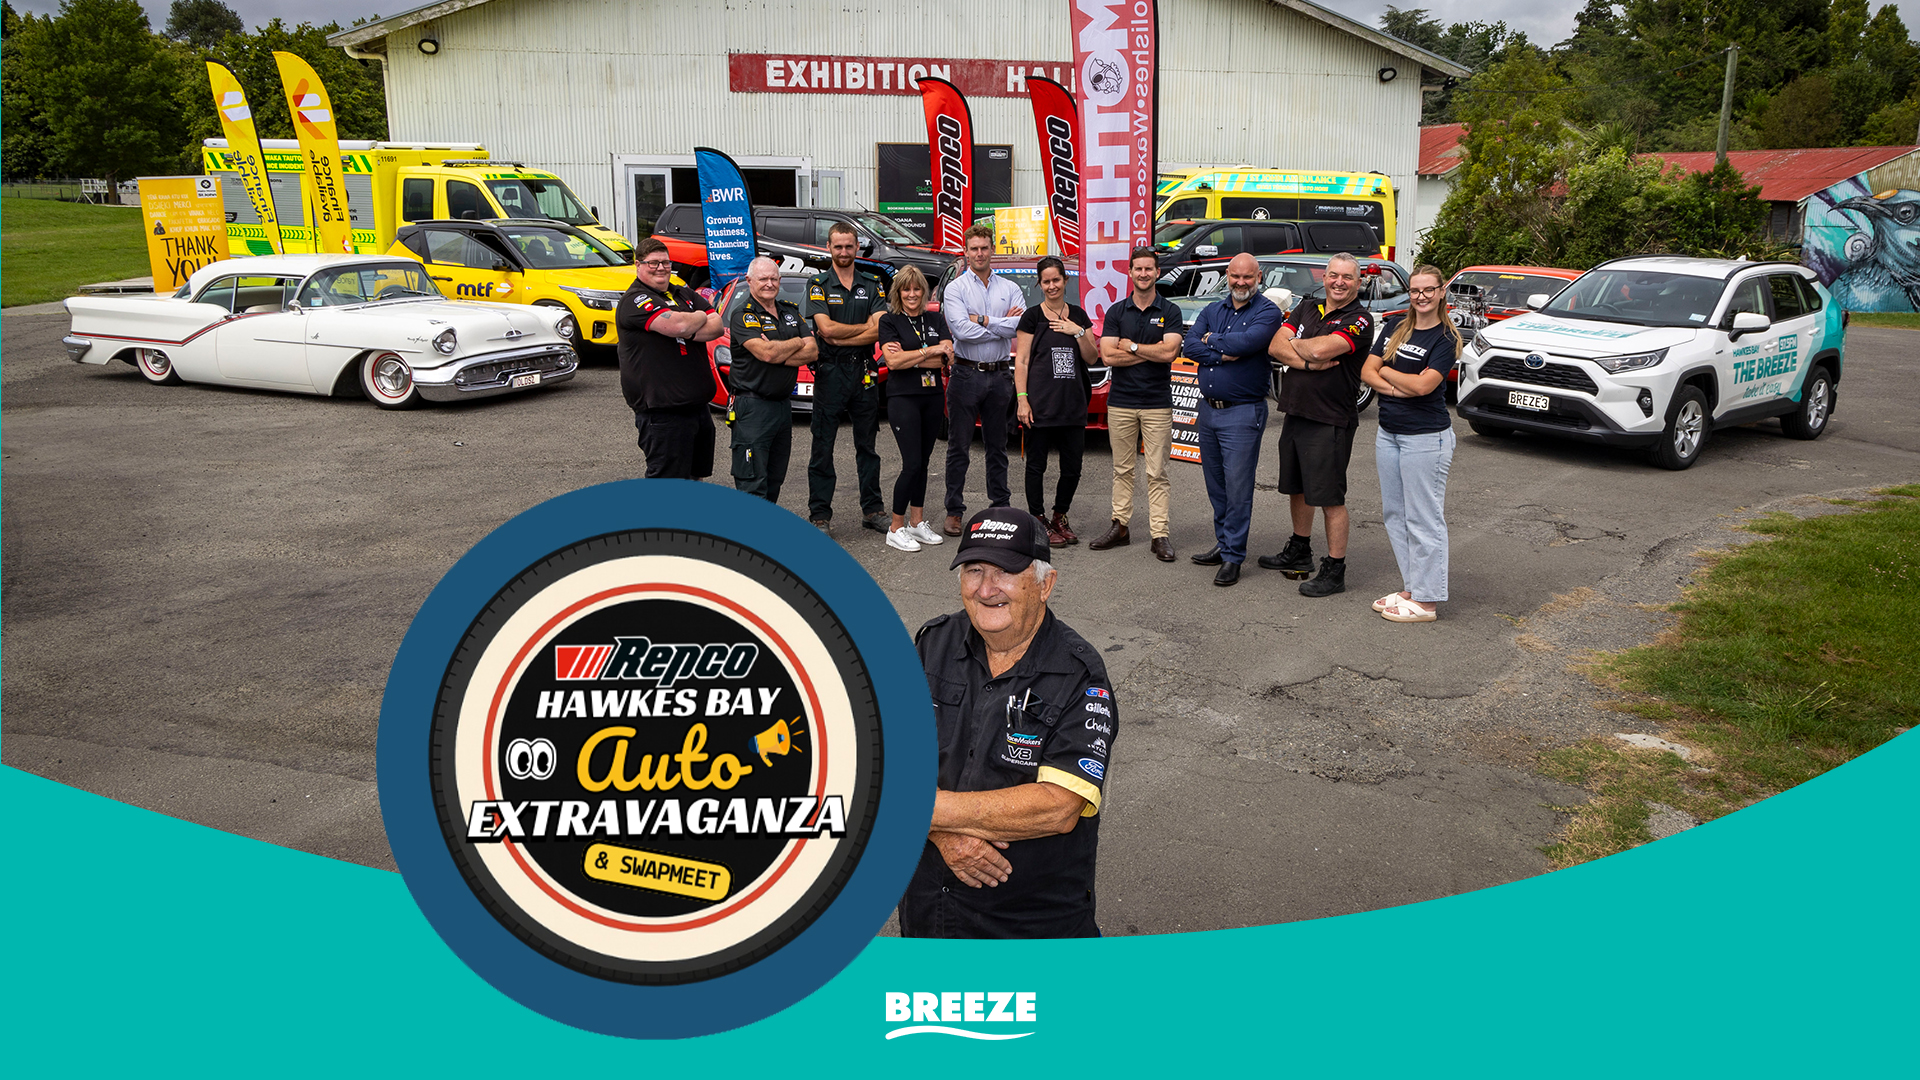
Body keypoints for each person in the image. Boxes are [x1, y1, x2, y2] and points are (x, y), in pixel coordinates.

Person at [900, 507, 1115, 939]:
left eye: (1005, 572)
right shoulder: (933, 643)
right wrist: (943, 834)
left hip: (1029, 926)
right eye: (974, 570)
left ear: (1045, 584)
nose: (986, 589)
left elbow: (1058, 806)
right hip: (928, 910)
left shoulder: (1079, 674)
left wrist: (919, 811)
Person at [1260, 253, 1377, 597]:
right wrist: (1308, 362)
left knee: (1329, 497)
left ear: (1358, 282)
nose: (1339, 282)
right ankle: (1300, 549)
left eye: (1347, 277)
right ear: (1324, 278)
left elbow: (1323, 349)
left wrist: (1297, 346)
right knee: (1297, 488)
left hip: (1330, 419)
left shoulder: (1359, 320)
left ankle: (1335, 569)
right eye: (1333, 275)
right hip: (1296, 412)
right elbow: (1275, 345)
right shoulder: (1307, 307)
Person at [1360, 264, 1461, 622]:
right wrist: (1395, 386)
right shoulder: (1393, 328)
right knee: (1396, 515)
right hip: (1389, 433)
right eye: (1415, 290)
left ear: (1441, 293)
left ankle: (1428, 601)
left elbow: (1423, 386)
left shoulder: (1445, 339)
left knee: (1423, 518)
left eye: (1428, 290)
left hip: (1425, 438)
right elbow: (1365, 371)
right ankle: (1413, 587)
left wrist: (1386, 373)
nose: (1421, 296)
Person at [1181, 253, 1283, 586]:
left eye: (1248, 277)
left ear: (1259, 276)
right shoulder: (1213, 309)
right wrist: (1222, 353)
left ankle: (1233, 557)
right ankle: (1224, 543)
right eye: (1235, 276)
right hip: (1209, 410)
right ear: (1227, 274)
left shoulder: (1267, 312)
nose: (1241, 282)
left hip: (1242, 412)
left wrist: (1211, 340)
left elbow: (1248, 342)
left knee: (1238, 488)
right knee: (1217, 485)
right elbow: (1189, 345)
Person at [1088, 247, 1185, 562]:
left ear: (1157, 272)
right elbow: (1107, 355)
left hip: (1157, 403)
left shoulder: (1170, 311)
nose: (1143, 274)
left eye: (1149, 269)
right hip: (1121, 402)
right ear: (1129, 272)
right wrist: (1150, 351)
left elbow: (1169, 353)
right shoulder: (1117, 311)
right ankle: (1120, 527)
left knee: (1157, 472)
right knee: (1122, 469)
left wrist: (1130, 346)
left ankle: (1160, 535)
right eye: (1138, 269)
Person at [940, 224, 1025, 536]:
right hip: (965, 374)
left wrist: (984, 320)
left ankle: (1000, 506)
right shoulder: (956, 289)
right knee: (959, 447)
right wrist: (1001, 324)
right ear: (966, 251)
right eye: (973, 248)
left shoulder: (1010, 288)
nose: (979, 253)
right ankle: (954, 511)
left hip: (1000, 375)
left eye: (984, 248)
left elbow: (1019, 325)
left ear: (992, 250)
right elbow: (961, 331)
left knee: (998, 446)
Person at [805, 222, 889, 535]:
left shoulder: (872, 283)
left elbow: (881, 328)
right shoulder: (818, 284)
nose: (843, 251)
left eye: (848, 246)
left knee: (868, 445)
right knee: (822, 445)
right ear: (829, 247)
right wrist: (863, 329)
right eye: (838, 246)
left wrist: (842, 335)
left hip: (864, 370)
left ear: (857, 248)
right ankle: (820, 515)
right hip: (831, 371)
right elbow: (825, 330)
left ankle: (873, 509)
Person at [615, 237, 724, 479]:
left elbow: (717, 325)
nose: (661, 268)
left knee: (695, 478)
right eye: (653, 263)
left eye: (665, 262)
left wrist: (687, 326)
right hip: (663, 413)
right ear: (638, 265)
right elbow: (677, 326)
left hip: (697, 409)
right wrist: (698, 316)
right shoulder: (635, 300)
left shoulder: (682, 292)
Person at [1014, 256, 1097, 547]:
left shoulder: (1079, 315)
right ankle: (1038, 520)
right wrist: (1022, 400)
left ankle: (1060, 516)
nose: (1052, 286)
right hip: (1040, 405)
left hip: (1072, 404)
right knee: (1036, 466)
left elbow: (1092, 357)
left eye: (1056, 280)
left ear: (1065, 281)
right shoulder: (1032, 317)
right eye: (1046, 281)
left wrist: (1078, 332)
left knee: (1072, 467)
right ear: (1040, 284)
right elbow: (1022, 361)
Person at [876, 265, 954, 552]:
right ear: (898, 293)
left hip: (932, 396)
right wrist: (930, 351)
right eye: (906, 289)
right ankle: (896, 528)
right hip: (903, 398)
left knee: (923, 462)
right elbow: (893, 362)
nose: (912, 294)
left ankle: (916, 522)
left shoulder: (936, 318)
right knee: (911, 464)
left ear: (924, 292)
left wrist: (913, 357)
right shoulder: (889, 321)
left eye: (917, 288)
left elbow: (947, 358)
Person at [724, 256, 814, 503]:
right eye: (763, 278)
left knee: (775, 478)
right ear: (750, 280)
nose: (769, 283)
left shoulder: (789, 311)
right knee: (752, 480)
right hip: (753, 407)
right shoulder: (742, 315)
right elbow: (766, 353)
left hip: (783, 406)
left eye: (774, 278)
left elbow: (813, 351)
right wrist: (797, 342)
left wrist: (777, 352)